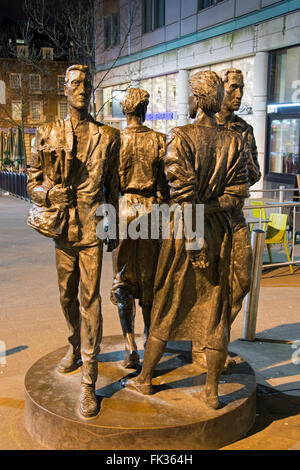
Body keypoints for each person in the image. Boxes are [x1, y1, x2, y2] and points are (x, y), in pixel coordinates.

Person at [124, 71, 249, 409]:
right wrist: (213, 211)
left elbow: (183, 196)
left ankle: (145, 378)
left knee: (167, 305)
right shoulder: (235, 141)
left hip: (186, 237)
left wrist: (195, 243)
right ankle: (211, 391)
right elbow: (236, 195)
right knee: (216, 312)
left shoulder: (180, 136)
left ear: (196, 100)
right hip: (219, 233)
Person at [27, 64, 120, 418]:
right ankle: (73, 343)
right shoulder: (47, 132)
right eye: (76, 84)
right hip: (63, 230)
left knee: (90, 299)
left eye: (86, 84)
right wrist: (50, 194)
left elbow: (114, 186)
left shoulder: (109, 137)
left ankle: (89, 378)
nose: (82, 89)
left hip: (94, 228)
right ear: (65, 89)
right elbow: (32, 181)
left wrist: (111, 228)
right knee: (66, 295)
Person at [111, 88, 167, 369]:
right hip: (151, 211)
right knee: (149, 280)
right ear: (144, 110)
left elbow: (108, 185)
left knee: (122, 279)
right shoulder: (159, 140)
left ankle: (129, 343)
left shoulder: (115, 140)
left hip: (121, 211)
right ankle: (149, 338)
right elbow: (166, 186)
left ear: (125, 111)